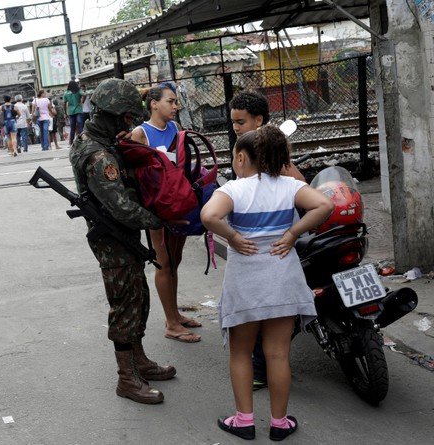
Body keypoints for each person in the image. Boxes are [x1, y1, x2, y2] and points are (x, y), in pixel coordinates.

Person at [200, 126, 332, 441]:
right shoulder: (289, 186)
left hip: (245, 284)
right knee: (277, 353)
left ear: (242, 158)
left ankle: (244, 420)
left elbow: (208, 216)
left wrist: (232, 235)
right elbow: (324, 206)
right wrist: (291, 234)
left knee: (241, 352)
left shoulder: (232, 190)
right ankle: (279, 422)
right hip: (282, 281)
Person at [69, 78, 177, 405]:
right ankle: (126, 378)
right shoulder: (97, 153)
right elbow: (121, 207)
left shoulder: (101, 141)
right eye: (127, 116)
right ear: (114, 114)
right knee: (124, 305)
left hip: (122, 235)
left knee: (138, 297)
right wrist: (161, 220)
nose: (129, 123)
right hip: (113, 238)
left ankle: (139, 360)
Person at [229, 91, 305, 390]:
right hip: (271, 246)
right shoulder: (259, 148)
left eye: (240, 121)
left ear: (259, 120)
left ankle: (260, 374)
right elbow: (316, 199)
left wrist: (233, 236)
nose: (235, 127)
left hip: (261, 254)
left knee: (259, 324)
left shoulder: (266, 153)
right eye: (233, 121)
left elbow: (210, 215)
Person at [129, 82, 201, 344]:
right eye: (170, 101)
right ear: (154, 104)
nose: (175, 106)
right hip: (157, 207)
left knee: (175, 259)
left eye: (175, 102)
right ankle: (171, 323)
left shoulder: (174, 128)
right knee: (164, 262)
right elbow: (133, 175)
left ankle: (175, 314)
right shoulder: (141, 134)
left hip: (177, 203)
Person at [63, 80, 84, 144]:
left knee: (72, 127)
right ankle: (82, 140)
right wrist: (82, 101)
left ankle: (71, 142)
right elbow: (84, 94)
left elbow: (64, 103)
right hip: (78, 110)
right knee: (80, 125)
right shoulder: (78, 91)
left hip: (70, 111)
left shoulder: (66, 93)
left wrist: (65, 112)